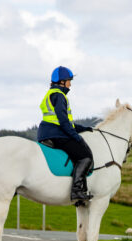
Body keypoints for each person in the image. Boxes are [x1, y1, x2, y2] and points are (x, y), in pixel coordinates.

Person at [38, 66, 94, 203]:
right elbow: (63, 122)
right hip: (57, 134)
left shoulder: (52, 94)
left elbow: (66, 122)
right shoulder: (59, 95)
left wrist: (82, 128)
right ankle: (77, 191)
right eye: (69, 80)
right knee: (85, 156)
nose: (70, 84)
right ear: (62, 81)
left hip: (46, 132)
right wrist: (76, 137)